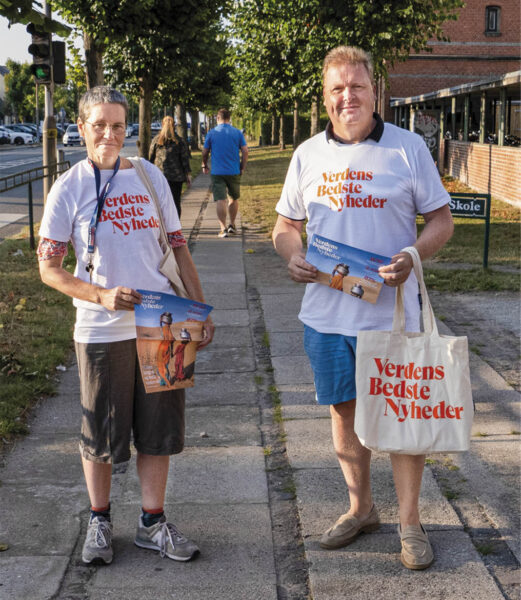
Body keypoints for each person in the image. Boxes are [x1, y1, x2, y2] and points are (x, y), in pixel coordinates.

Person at [272, 46, 454, 571]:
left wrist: (413, 254)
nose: (347, 96)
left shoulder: (407, 148)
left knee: (402, 419)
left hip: (393, 314)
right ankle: (361, 509)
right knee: (344, 415)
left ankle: (411, 523)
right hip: (327, 315)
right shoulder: (307, 154)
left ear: (376, 91)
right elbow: (285, 227)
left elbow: (441, 220)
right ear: (325, 98)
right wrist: (293, 255)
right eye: (337, 89)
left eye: (356, 86)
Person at [38, 86, 214, 566]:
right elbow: (49, 269)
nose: (111, 134)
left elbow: (177, 246)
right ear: (82, 128)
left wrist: (199, 308)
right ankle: (99, 520)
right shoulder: (68, 187)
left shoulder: (149, 175)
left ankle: (152, 523)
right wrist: (100, 295)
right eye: (100, 125)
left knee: (159, 429)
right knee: (100, 430)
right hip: (100, 328)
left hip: (162, 321)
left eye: (118, 125)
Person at [201, 108, 248, 238]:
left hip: (217, 171)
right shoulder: (237, 133)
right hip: (234, 171)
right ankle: (232, 224)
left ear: (217, 118)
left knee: (221, 200)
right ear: (229, 118)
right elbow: (245, 151)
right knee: (233, 198)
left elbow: (205, 152)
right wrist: (242, 167)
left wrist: (204, 164)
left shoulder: (212, 133)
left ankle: (223, 228)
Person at [149, 116, 191, 218]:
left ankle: (162, 225)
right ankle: (176, 226)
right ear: (174, 126)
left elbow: (150, 158)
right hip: (176, 177)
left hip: (159, 176)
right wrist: (188, 175)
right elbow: (184, 160)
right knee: (175, 202)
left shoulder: (156, 141)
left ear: (162, 125)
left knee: (160, 202)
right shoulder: (179, 141)